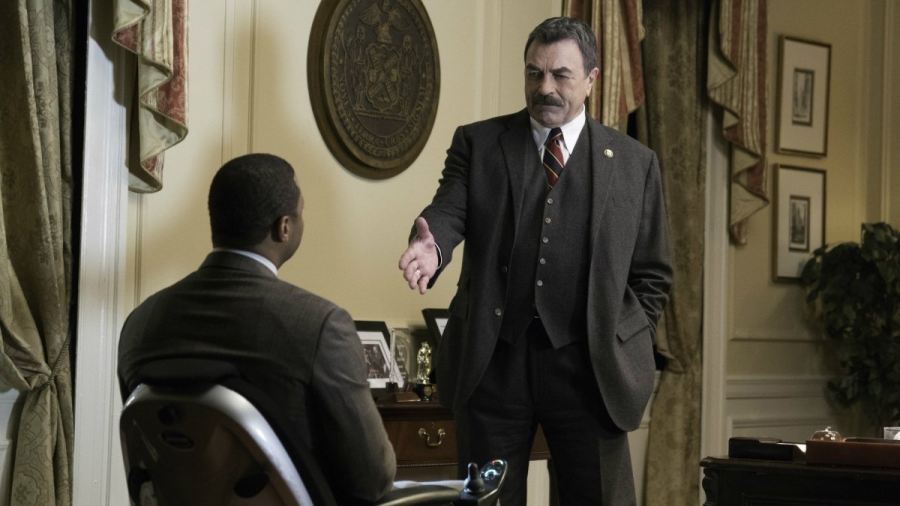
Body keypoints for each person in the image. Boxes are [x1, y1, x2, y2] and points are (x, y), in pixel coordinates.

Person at [398, 17, 672, 505]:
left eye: (560, 75)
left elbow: (652, 273)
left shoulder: (635, 163)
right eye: (534, 73)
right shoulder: (478, 143)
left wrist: (623, 333)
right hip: (495, 363)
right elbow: (449, 209)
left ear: (591, 79)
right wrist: (431, 245)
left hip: (591, 369)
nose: (545, 87)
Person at [118, 153, 396, 504]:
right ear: (284, 227)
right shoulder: (319, 325)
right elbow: (373, 481)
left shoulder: (140, 324)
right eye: (301, 212)